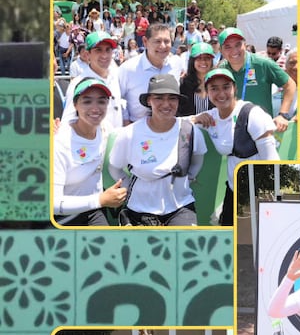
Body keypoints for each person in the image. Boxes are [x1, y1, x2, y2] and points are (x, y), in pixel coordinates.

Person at [109, 73, 206, 226]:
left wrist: (187, 178)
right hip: (138, 210)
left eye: (172, 98)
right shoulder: (129, 133)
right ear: (149, 100)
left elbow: (197, 160)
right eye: (159, 98)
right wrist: (128, 187)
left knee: (184, 248)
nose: (166, 104)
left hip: (180, 207)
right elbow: (114, 167)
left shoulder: (190, 131)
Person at [191, 67, 280, 226]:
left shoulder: (252, 114)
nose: (221, 93)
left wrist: (272, 201)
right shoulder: (212, 116)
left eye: (226, 87)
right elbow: (177, 123)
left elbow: (272, 160)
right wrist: (196, 119)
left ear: (235, 88)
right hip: (233, 189)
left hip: (259, 193)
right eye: (214, 88)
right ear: (207, 93)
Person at [53, 78, 127, 225]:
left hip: (93, 212)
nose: (95, 108)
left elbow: (134, 134)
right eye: (87, 101)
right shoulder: (60, 143)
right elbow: (53, 204)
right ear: (75, 105)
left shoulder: (105, 128)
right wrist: (100, 200)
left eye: (101, 101)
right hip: (63, 219)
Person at [216, 27, 295, 132]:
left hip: (262, 130)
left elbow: (290, 85)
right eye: (227, 47)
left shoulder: (263, 63)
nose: (234, 50)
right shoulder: (221, 70)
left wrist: (283, 114)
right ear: (221, 50)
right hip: (232, 129)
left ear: (245, 44)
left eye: (238, 45)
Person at [117, 23, 184, 123]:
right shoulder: (128, 69)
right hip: (136, 128)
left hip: (168, 128)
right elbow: (117, 99)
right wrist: (125, 120)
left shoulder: (176, 64)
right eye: (157, 41)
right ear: (145, 41)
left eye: (167, 41)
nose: (163, 46)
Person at [59, 31, 125, 132]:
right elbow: (68, 122)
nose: (104, 55)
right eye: (98, 50)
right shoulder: (78, 83)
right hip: (93, 145)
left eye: (108, 50)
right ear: (87, 54)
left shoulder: (117, 76)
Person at [178, 42, 216, 116]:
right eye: (199, 58)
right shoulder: (183, 84)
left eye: (207, 58)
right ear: (192, 61)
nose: (203, 62)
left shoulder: (218, 82)